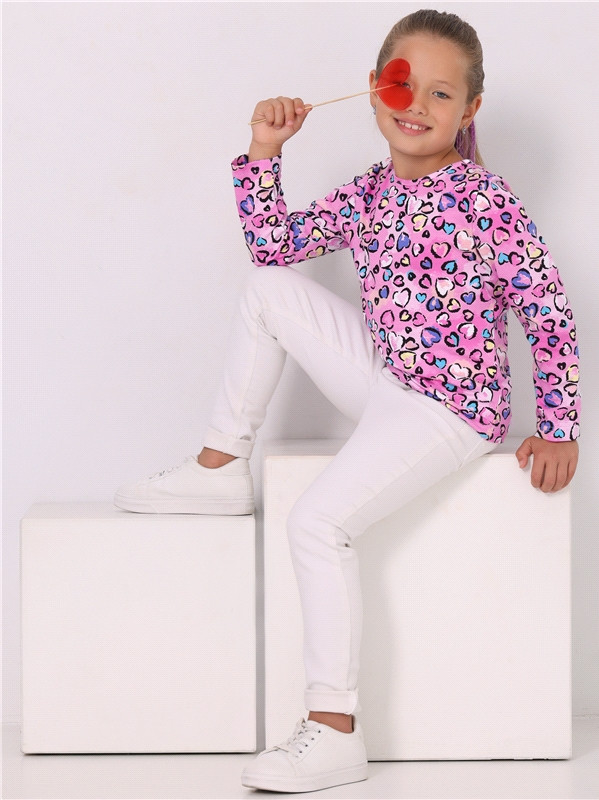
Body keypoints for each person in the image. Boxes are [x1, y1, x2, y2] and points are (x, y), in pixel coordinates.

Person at [114, 8, 581, 793]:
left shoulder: (483, 197)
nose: (416, 105)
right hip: (385, 376)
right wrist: (265, 152)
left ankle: (333, 730)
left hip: (451, 408)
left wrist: (560, 425)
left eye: (440, 94)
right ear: (372, 89)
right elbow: (273, 246)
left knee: (316, 522)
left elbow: (547, 308)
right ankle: (219, 468)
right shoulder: (368, 191)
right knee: (268, 288)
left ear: (468, 110)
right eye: (402, 84)